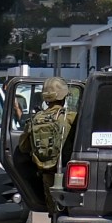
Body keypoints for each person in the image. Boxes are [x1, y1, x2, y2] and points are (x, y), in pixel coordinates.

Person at [21, 77, 75, 206]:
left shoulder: (35, 119)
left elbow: (23, 147)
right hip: (69, 173)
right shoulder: (71, 117)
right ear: (64, 96)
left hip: (47, 173)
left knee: (53, 210)